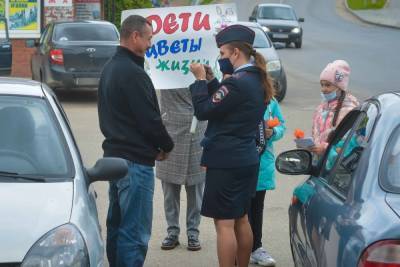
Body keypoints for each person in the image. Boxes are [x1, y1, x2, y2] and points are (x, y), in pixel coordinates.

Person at [189, 24, 273, 267]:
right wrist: (213, 79)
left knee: (224, 224)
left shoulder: (237, 82)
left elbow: (205, 110)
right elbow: (225, 104)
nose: (220, 58)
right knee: (241, 219)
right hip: (246, 158)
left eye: (223, 54)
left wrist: (199, 82)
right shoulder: (254, 78)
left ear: (236, 53)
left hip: (226, 161)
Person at [97, 15, 174, 267]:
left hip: (115, 160)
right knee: (134, 233)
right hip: (134, 163)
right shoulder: (132, 73)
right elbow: (149, 120)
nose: (151, 44)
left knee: (118, 227)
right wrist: (166, 145)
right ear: (135, 36)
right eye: (149, 38)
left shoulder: (110, 67)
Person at [156, 89, 206, 251]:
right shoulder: (165, 71)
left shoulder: (203, 70)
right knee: (169, 192)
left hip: (197, 134)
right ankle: (172, 232)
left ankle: (193, 233)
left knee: (196, 192)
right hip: (170, 134)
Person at [249, 99, 286, 266]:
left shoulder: (270, 102)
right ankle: (237, 246)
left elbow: (281, 125)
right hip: (240, 159)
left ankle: (256, 248)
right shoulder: (240, 93)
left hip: (263, 164)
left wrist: (274, 131)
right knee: (239, 208)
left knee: (257, 207)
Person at [310, 60, 359, 157]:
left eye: (328, 85)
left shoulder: (348, 111)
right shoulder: (320, 109)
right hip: (320, 164)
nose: (323, 89)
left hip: (334, 167)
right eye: (322, 85)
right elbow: (315, 133)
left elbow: (348, 143)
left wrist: (325, 149)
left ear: (339, 87)